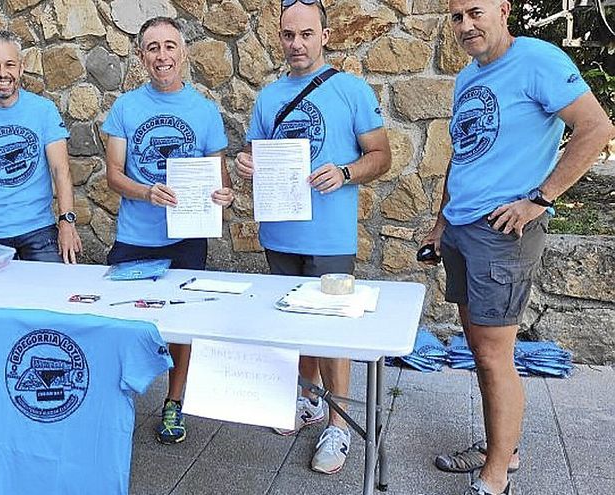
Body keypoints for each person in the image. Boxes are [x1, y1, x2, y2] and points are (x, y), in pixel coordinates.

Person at [421, 0, 615, 493]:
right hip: (463, 229)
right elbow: (462, 156)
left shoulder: (538, 60)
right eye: (457, 17)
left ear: (503, 10)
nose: (466, 25)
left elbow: (596, 128)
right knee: (479, 348)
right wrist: (443, 220)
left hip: (503, 234)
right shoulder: (469, 77)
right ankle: (500, 447)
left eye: (475, 12)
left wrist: (540, 200)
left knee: (492, 354)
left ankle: (497, 472)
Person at [235, 0, 391, 475]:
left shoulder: (351, 90)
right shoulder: (268, 96)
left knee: (331, 329)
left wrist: (345, 172)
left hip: (329, 236)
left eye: (306, 34)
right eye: (287, 34)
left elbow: (381, 156)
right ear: (278, 37)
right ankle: (310, 402)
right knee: (292, 325)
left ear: (325, 35)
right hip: (280, 232)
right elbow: (253, 154)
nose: (296, 44)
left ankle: (340, 425)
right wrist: (246, 165)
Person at [101, 16, 234, 445]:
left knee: (183, 324)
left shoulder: (204, 110)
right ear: (141, 56)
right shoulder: (125, 108)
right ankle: (115, 401)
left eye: (170, 46)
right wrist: (145, 192)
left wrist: (224, 196)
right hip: (135, 236)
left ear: (184, 53)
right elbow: (113, 176)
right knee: (122, 321)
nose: (162, 56)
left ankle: (175, 403)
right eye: (153, 47)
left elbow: (220, 176)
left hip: (186, 237)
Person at [0, 30, 81, 263]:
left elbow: (61, 170)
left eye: (9, 64)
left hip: (40, 230)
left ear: (20, 68)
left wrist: (66, 221)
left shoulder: (44, 110)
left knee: (52, 295)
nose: (2, 73)